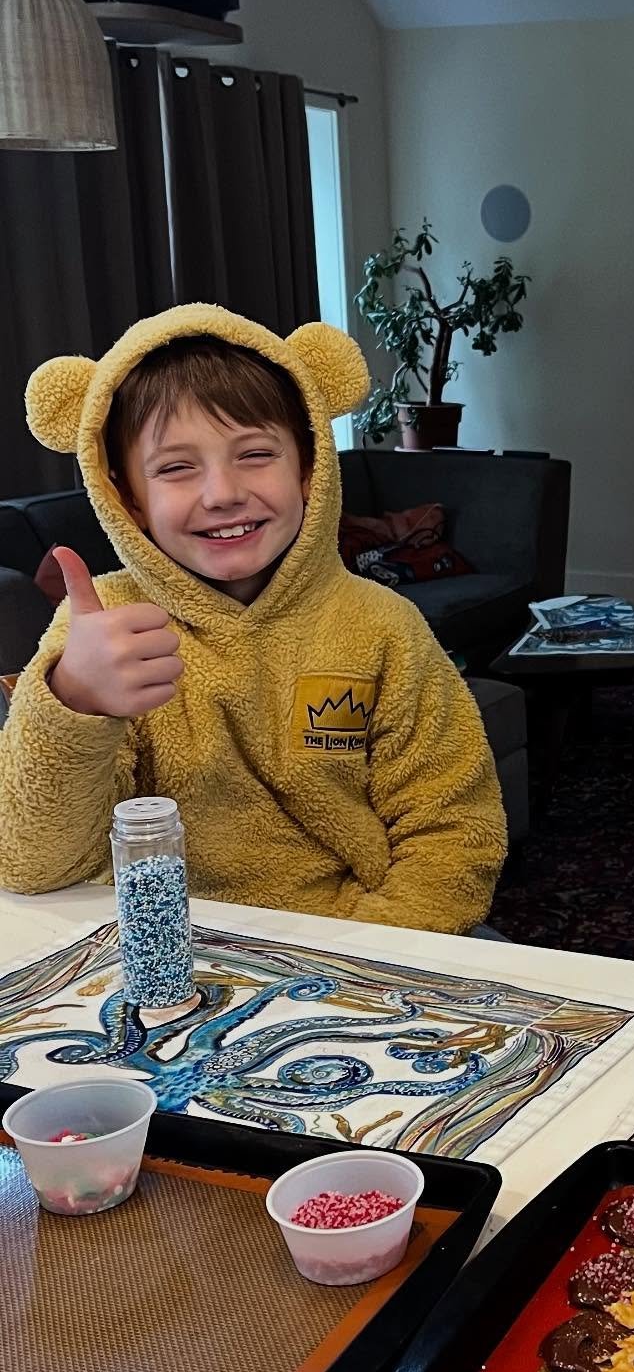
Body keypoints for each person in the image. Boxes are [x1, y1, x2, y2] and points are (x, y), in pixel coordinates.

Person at [0, 304, 506, 933]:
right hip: (175, 959)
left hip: (370, 943)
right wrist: (75, 701)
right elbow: (31, 866)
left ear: (307, 468)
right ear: (126, 493)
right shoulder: (103, 629)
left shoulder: (383, 629)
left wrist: (363, 961)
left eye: (256, 453)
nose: (222, 493)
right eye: (176, 467)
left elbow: (454, 832)